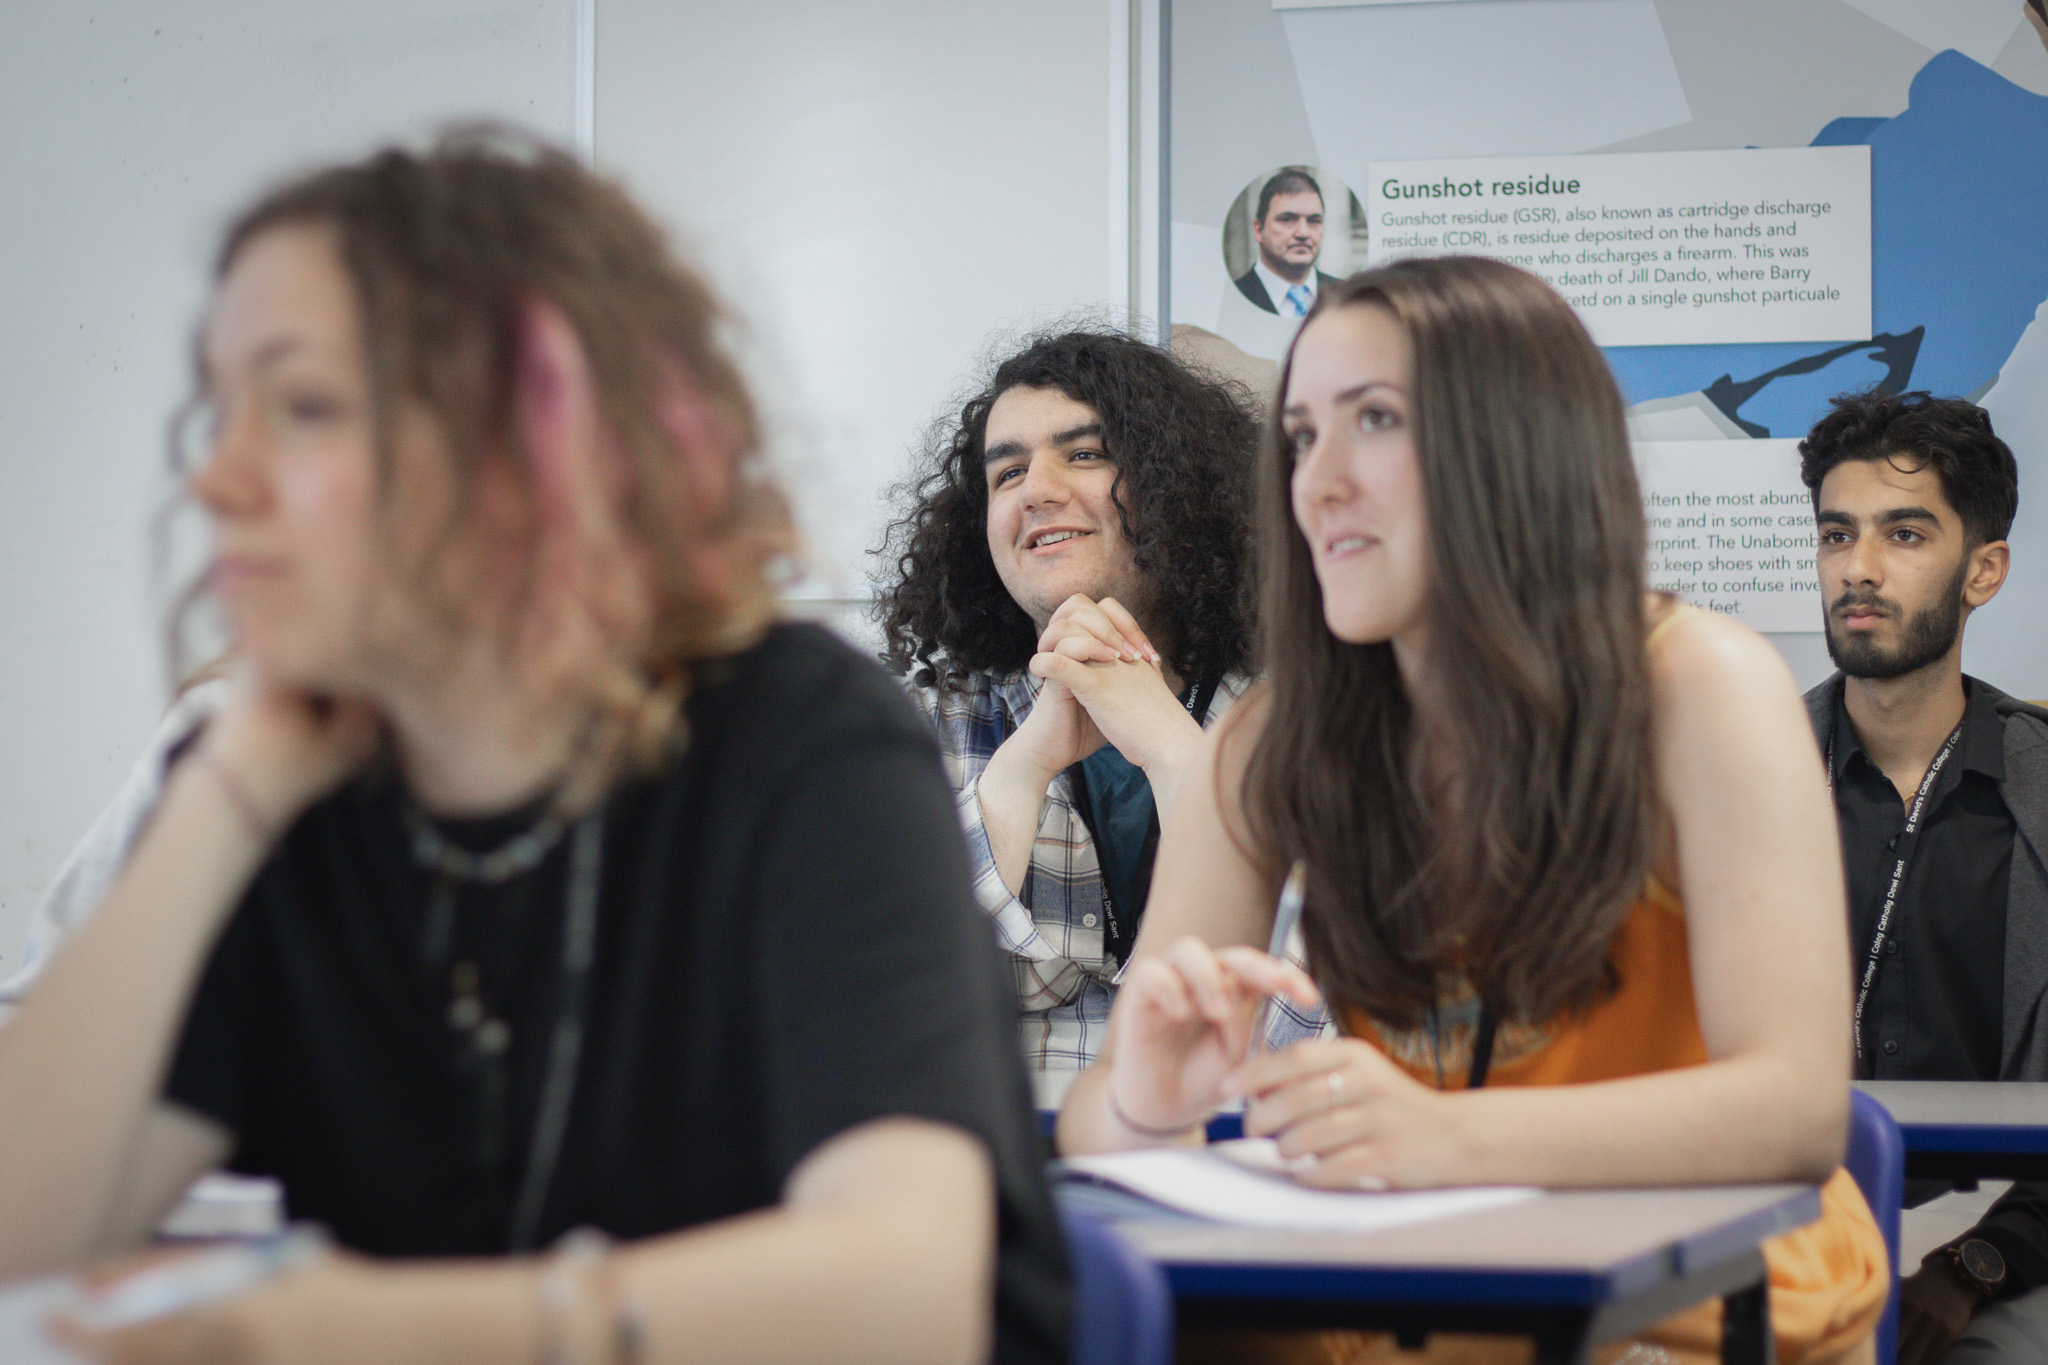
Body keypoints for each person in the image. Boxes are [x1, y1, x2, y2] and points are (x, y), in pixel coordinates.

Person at [0, 132, 1068, 1365]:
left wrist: (377, 1334)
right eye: (218, 412)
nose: (219, 480)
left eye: (298, 408)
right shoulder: (291, 793)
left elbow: (906, 1297)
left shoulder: (800, 740)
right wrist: (227, 787)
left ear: (525, 439)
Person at [1059, 256, 1886, 1364]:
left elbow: (1790, 1113)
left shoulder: (1699, 685)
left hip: (1683, 1297)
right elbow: (1095, 1118)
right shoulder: (1272, 741)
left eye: (1377, 421)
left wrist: (1442, 1137)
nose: (1320, 482)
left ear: (1520, 447)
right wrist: (1149, 1106)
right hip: (1423, 1279)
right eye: (1301, 437)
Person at [876, 330, 1260, 1088]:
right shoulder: (914, 728)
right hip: (1004, 1190)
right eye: (1007, 471)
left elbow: (1319, 1003)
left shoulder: (1309, 713)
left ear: (1181, 483)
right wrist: (1021, 771)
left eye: (1083, 453)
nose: (1034, 488)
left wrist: (1178, 756)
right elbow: (877, 1005)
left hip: (1243, 1175)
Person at [1798, 390, 2048, 1365]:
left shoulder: (2035, 789)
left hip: (2010, 1246)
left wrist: (1975, 1265)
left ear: (1982, 570)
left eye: (1903, 534)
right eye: (1834, 534)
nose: (1856, 569)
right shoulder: (1741, 778)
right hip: (1787, 1232)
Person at [1232, 169, 1342, 319]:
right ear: (1259, 230)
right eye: (1286, 219)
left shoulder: (1347, 297)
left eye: (1314, 221)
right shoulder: (1233, 296)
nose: (1303, 233)